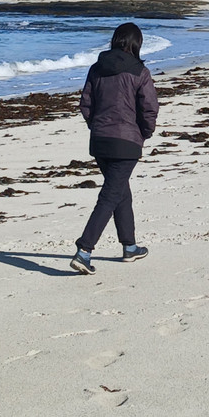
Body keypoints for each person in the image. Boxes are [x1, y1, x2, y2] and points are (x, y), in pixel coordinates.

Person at [71, 22, 159, 274]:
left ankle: (129, 246)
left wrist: (96, 127)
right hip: (126, 141)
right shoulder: (139, 71)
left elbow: (86, 104)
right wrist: (144, 133)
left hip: (101, 140)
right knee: (110, 195)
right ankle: (84, 250)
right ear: (136, 44)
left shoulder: (96, 69)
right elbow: (150, 108)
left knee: (120, 191)